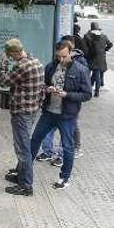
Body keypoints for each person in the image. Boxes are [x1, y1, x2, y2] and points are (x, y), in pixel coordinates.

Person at [28, 41, 92, 190]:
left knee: (67, 146)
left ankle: (64, 178)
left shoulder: (81, 70)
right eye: (59, 56)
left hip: (67, 115)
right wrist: (47, 88)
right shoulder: (51, 66)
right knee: (35, 139)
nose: (61, 60)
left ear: (71, 52)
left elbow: (87, 94)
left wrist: (67, 94)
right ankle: (24, 169)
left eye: (64, 56)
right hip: (49, 111)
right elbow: (42, 84)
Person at [0, 38, 44, 196]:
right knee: (25, 144)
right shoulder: (36, 61)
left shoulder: (21, 66)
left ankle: (26, 186)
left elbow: (4, 82)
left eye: (9, 55)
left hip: (21, 112)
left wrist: (3, 64)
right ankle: (21, 174)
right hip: (32, 110)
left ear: (14, 53)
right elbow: (42, 89)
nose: (9, 58)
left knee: (23, 149)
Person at [83, 22, 112, 97]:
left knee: (89, 73)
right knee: (97, 73)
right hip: (101, 58)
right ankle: (96, 91)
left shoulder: (87, 36)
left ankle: (91, 88)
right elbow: (110, 44)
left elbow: (84, 48)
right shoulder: (104, 36)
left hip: (90, 57)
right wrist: (104, 50)